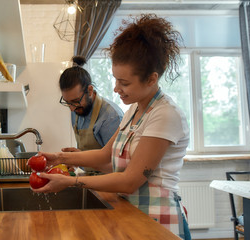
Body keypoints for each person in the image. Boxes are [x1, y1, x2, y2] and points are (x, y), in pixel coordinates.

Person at [32, 14, 191, 239]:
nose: (116, 89)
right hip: (132, 214)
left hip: (158, 221)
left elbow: (130, 180)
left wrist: (71, 182)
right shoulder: (133, 111)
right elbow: (105, 154)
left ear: (151, 79)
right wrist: (60, 159)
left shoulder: (165, 115)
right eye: (115, 80)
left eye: (124, 83)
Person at [59, 56, 124, 174]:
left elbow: (119, 167)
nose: (72, 109)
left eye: (75, 101)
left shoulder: (111, 117)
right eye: (67, 103)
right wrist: (76, 161)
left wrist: (82, 159)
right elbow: (86, 155)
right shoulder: (77, 110)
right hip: (91, 179)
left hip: (110, 183)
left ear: (89, 90)